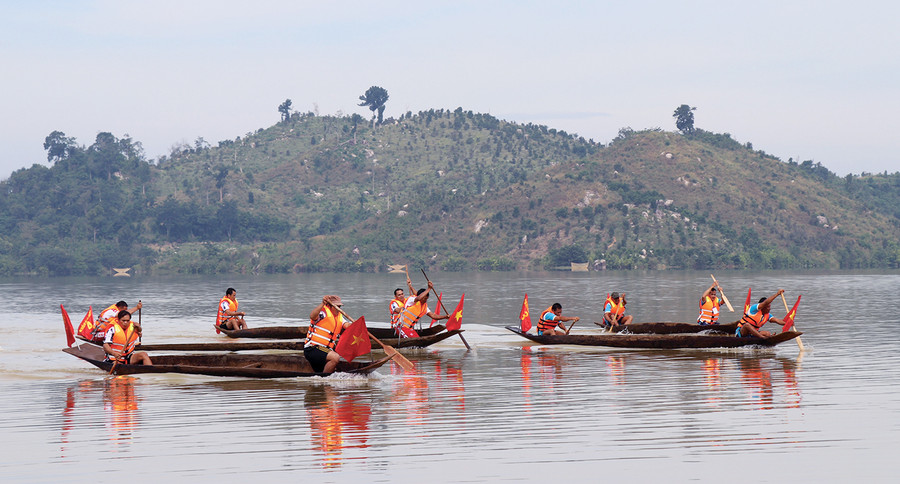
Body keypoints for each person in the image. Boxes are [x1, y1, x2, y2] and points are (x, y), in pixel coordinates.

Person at [304, 295, 352, 374]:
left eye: (339, 306)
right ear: (329, 306)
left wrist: (357, 324)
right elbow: (312, 316)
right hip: (313, 348)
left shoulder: (340, 317)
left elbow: (346, 325)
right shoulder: (323, 313)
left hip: (326, 350)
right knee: (335, 357)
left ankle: (325, 374)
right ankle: (325, 379)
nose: (338, 309)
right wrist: (322, 303)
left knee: (337, 359)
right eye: (336, 306)